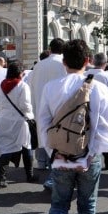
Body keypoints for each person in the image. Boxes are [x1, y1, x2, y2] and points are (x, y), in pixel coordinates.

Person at [38, 39, 108, 214]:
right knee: (87, 206)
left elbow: (44, 122)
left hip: (60, 155)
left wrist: (52, 152)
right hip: (87, 157)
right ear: (87, 61)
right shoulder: (99, 88)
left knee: (59, 204)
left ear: (63, 62)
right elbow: (104, 127)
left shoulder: (51, 87)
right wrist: (92, 154)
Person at [27, 38, 66, 178]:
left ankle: (41, 161)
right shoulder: (63, 64)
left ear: (50, 48)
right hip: (58, 106)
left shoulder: (38, 65)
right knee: (57, 135)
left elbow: (30, 85)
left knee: (41, 131)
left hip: (39, 104)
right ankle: (53, 163)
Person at [0, 62, 35, 186]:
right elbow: (25, 106)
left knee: (5, 149)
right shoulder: (23, 86)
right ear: (20, 73)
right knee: (26, 147)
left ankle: (1, 179)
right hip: (20, 121)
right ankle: (29, 175)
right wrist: (31, 116)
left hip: (3, 120)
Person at [86, 52, 108, 171]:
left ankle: (88, 157)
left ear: (93, 62)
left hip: (88, 108)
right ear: (105, 63)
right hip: (104, 109)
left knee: (89, 133)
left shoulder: (86, 74)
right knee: (105, 132)